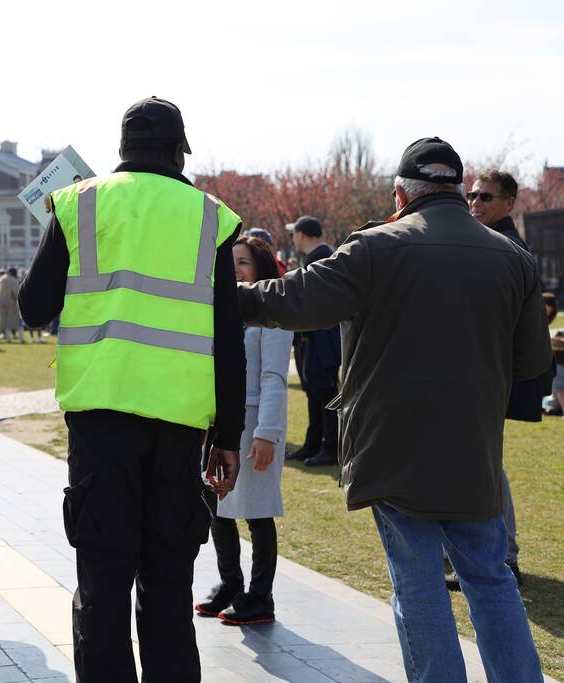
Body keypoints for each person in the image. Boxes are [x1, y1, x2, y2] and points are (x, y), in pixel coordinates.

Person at [236, 137, 548, 682]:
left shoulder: (375, 247)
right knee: (491, 579)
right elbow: (531, 362)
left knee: (418, 583)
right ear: (458, 189)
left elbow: (289, 300)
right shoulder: (513, 258)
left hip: (391, 446)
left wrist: (219, 292)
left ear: (401, 194)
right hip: (472, 446)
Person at [19, 96, 246, 683]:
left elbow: (33, 307)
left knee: (102, 585)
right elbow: (228, 337)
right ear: (178, 152)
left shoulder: (76, 204)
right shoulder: (210, 217)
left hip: (100, 424)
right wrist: (228, 436)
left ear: (120, 150)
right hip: (180, 427)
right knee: (169, 588)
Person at [455, 168, 554, 588]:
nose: (476, 204)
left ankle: (504, 557)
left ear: (510, 203)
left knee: (487, 469)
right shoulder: (492, 243)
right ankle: (492, 555)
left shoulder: (508, 248)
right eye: (473, 197)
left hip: (491, 379)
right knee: (481, 467)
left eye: (486, 198)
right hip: (484, 377)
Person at [196, 236, 292, 626]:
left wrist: (266, 432)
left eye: (244, 262)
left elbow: (273, 376)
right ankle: (230, 584)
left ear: (261, 268)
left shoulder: (272, 310)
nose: (235, 269)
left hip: (255, 422)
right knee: (218, 506)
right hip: (219, 422)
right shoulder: (219, 307)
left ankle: (260, 595)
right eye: (230, 262)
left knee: (257, 512)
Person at [284, 215, 341, 466]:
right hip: (316, 337)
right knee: (314, 392)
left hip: (322, 338)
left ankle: (331, 447)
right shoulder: (320, 256)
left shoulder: (322, 258)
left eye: (293, 233)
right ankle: (313, 444)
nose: (292, 238)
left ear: (302, 234)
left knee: (325, 393)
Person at [0, 267, 23, 342]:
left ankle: (8, 338)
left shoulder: (2, 279)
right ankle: (21, 338)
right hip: (12, 303)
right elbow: (15, 292)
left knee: (3, 321)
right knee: (14, 321)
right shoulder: (15, 280)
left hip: (2, 302)